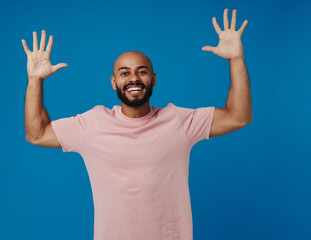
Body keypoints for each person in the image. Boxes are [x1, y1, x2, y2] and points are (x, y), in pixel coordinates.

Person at [22, 8, 252, 240]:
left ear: (153, 79)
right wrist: (35, 80)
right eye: (125, 73)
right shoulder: (92, 125)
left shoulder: (179, 120)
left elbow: (238, 116)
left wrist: (236, 59)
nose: (133, 78)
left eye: (142, 72)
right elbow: (37, 134)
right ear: (114, 83)